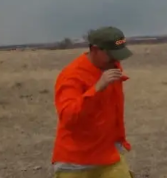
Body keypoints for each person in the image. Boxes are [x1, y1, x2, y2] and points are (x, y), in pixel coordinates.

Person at [51, 26, 134, 178]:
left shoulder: (110, 67)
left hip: (110, 155)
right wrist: (96, 89)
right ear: (95, 50)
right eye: (112, 55)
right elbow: (68, 118)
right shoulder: (71, 76)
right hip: (76, 163)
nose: (117, 60)